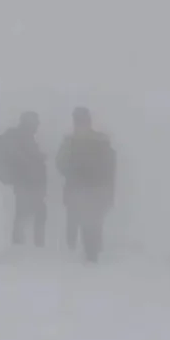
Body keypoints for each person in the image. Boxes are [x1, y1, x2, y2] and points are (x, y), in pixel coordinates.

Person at [56, 107, 116, 262]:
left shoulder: (71, 141)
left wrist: (72, 171)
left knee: (86, 219)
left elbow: (60, 163)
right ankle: (89, 252)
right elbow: (111, 167)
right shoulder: (100, 140)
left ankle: (87, 252)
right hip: (92, 188)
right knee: (90, 220)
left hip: (83, 188)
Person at [0, 111, 48, 247]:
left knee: (25, 213)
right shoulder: (23, 137)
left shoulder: (23, 136)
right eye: (36, 122)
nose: (38, 125)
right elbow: (23, 158)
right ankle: (31, 245)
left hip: (25, 182)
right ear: (29, 122)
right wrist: (35, 161)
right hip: (27, 182)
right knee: (33, 213)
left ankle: (21, 244)